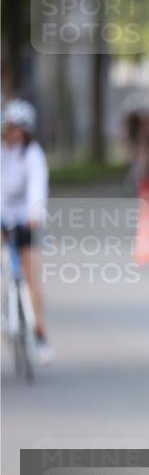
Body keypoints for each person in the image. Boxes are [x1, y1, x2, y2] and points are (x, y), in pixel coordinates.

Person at [0, 99, 54, 364]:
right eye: (10, 128)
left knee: (32, 276)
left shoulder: (33, 154)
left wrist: (35, 215)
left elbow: (37, 186)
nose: (14, 133)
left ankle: (40, 334)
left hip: (24, 217)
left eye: (19, 128)